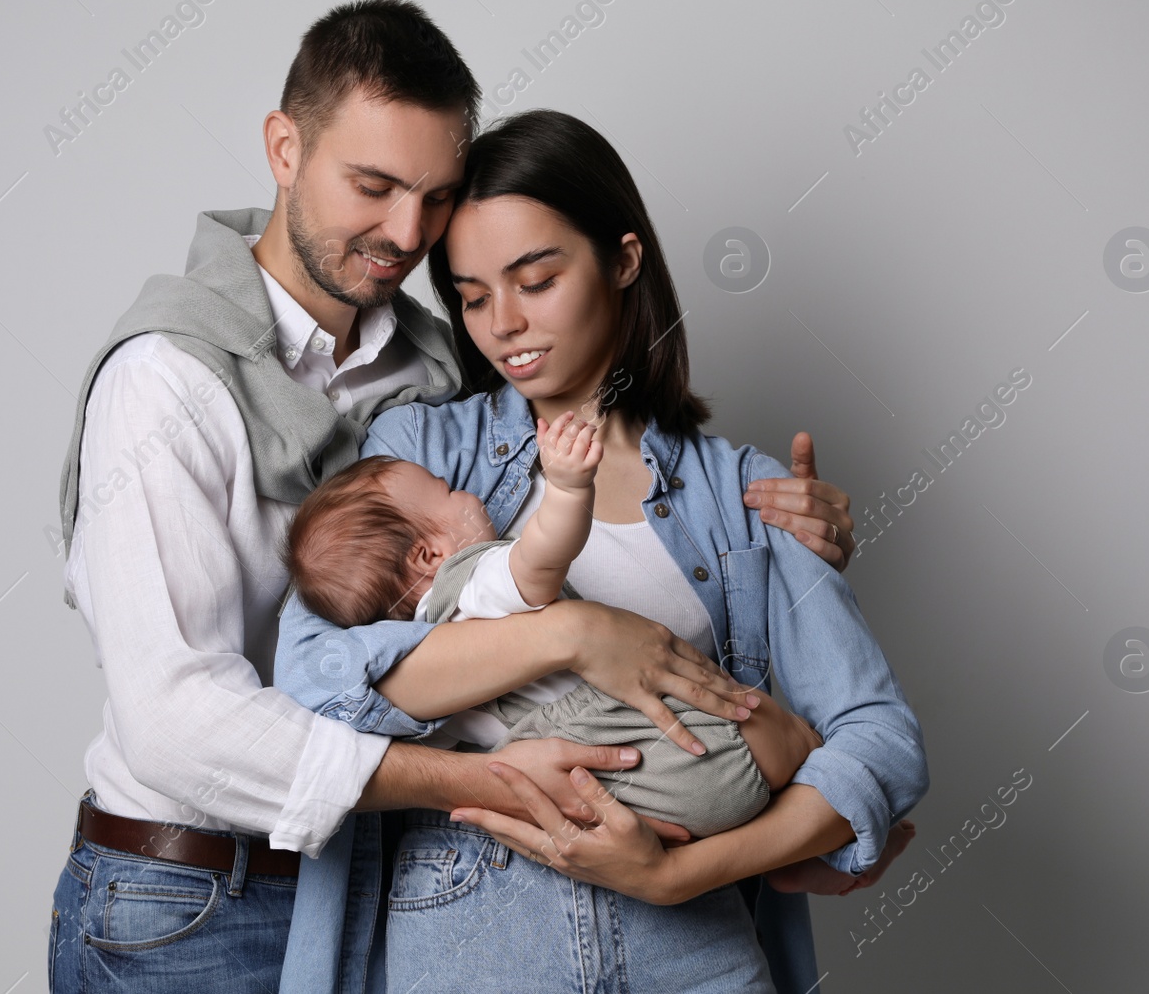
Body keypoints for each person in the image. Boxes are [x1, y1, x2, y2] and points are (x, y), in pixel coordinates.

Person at [47, 0, 862, 992]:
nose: (405, 234)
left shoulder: (438, 379)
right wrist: (528, 702)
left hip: (349, 880)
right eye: (373, 185)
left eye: (431, 197)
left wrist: (787, 540)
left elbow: (597, 507)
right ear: (284, 148)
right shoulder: (167, 382)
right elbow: (177, 721)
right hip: (184, 889)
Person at [275, 109, 929, 991]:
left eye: (535, 278)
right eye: (471, 297)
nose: (503, 325)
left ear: (623, 260)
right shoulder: (426, 454)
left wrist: (679, 874)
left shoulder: (742, 495)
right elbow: (316, 678)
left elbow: (881, 742)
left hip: (693, 945)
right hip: (474, 935)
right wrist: (571, 634)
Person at [282, 416, 817, 839]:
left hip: (620, 782)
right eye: (447, 490)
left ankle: (792, 838)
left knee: (761, 776)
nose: (466, 492)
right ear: (430, 554)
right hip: (658, 742)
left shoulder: (426, 654)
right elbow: (538, 561)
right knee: (787, 736)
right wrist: (566, 489)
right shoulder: (467, 584)